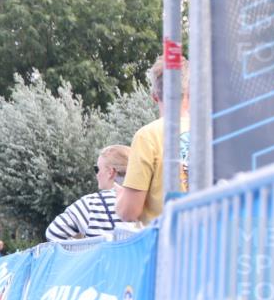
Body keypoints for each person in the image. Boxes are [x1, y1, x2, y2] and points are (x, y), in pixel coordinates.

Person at [117, 55, 190, 225]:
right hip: (212, 242)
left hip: (168, 245)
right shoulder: (212, 132)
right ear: (190, 92)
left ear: (155, 96)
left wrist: (121, 198)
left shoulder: (147, 136)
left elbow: (129, 211)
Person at [46, 145, 129, 241]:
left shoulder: (91, 204)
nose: (96, 175)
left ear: (110, 172)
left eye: (97, 169)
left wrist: (82, 249)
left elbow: (53, 233)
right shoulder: (144, 200)